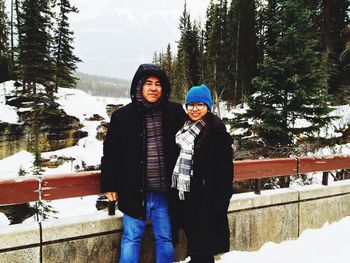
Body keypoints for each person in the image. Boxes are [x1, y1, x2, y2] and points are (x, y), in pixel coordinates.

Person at [100, 63, 186, 263]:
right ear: (138, 86)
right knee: (131, 239)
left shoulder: (174, 112)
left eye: (158, 84)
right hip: (134, 191)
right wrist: (109, 184)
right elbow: (111, 152)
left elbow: (193, 137)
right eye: (148, 83)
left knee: (165, 238)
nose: (154, 88)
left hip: (165, 193)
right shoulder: (123, 116)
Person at [171, 84, 233, 263]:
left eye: (200, 105)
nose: (195, 109)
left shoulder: (216, 133)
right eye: (191, 105)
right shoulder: (183, 129)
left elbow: (225, 176)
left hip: (207, 203)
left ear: (208, 107)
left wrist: (219, 207)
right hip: (188, 200)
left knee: (204, 252)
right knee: (196, 250)